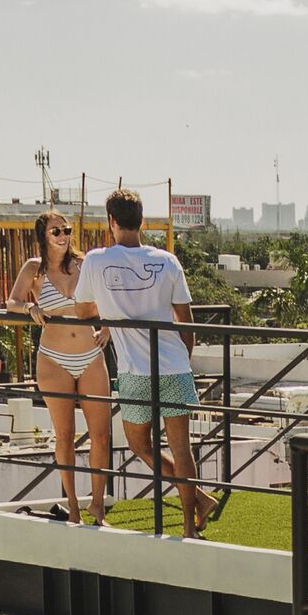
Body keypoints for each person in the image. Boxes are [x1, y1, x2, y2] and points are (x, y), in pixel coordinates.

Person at [75, 189, 215, 531]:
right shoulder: (168, 261)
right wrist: (182, 360)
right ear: (142, 221)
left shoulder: (95, 260)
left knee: (139, 444)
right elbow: (186, 322)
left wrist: (110, 308)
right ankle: (190, 522)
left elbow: (81, 311)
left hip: (134, 371)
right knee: (182, 448)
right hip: (175, 366)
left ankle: (198, 502)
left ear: (111, 221)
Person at [8, 208, 111, 522]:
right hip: (53, 359)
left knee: (101, 435)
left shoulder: (84, 263)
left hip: (91, 355)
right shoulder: (34, 268)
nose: (63, 236)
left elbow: (108, 299)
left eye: (66, 230)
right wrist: (29, 306)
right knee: (65, 435)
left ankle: (97, 504)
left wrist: (108, 326)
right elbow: (11, 302)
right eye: (56, 231)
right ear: (43, 236)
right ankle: (74, 507)